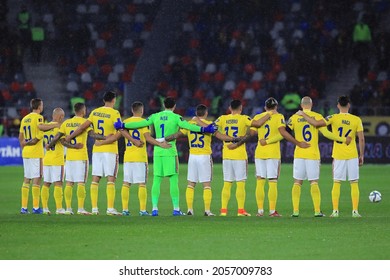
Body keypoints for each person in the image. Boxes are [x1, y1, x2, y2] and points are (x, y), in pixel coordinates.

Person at [114, 97, 217, 216]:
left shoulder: (155, 116)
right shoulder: (176, 117)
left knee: (156, 180)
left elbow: (141, 123)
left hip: (158, 150)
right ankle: (176, 209)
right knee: (173, 180)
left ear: (163, 105)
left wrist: (123, 124)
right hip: (169, 149)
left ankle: (154, 209)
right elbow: (189, 126)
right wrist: (204, 129)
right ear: (174, 106)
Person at [228, 97, 310, 217]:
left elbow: (250, 134)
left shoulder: (257, 117)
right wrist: (297, 142)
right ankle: (272, 211)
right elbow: (283, 133)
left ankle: (260, 210)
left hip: (260, 152)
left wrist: (236, 144)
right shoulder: (279, 117)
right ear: (276, 107)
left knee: (260, 182)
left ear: (265, 107)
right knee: (272, 182)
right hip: (273, 153)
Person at [98, 101, 171, 216]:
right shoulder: (144, 122)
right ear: (142, 111)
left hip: (128, 157)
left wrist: (101, 143)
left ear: (132, 110)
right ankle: (142, 210)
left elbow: (116, 137)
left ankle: (125, 210)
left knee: (126, 183)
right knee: (142, 184)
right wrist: (160, 144)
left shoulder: (126, 123)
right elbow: (147, 138)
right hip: (140, 158)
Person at [164, 104, 239, 216]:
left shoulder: (189, 124)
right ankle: (207, 211)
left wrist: (164, 139)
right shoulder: (209, 124)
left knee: (190, 184)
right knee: (206, 185)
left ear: (196, 113)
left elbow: (177, 135)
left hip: (192, 156)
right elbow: (220, 136)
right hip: (204, 156)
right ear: (206, 113)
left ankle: (190, 210)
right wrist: (234, 139)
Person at [299, 95, 364, 218]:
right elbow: (361, 138)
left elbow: (316, 123)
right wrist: (362, 155)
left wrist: (303, 114)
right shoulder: (357, 120)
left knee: (337, 182)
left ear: (338, 105)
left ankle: (335, 211)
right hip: (352, 155)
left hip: (338, 155)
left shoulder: (333, 118)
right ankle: (355, 211)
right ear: (349, 105)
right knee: (354, 182)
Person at [289, 96, 351, 217]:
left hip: (299, 153)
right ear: (311, 105)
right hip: (312, 154)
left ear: (301, 105)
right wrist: (342, 139)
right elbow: (327, 133)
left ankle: (295, 211)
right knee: (314, 182)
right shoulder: (317, 116)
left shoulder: (294, 117)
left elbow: (285, 131)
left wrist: (295, 142)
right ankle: (317, 211)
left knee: (297, 182)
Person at [65, 90, 123, 216]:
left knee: (95, 179)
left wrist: (70, 137)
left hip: (97, 151)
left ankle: (95, 209)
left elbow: (82, 127)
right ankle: (110, 209)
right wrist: (105, 141)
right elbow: (119, 132)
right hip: (110, 150)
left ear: (103, 100)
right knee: (111, 179)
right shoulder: (115, 113)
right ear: (114, 100)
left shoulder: (95, 112)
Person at [213, 99, 272, 217]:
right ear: (241, 108)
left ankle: (223, 211)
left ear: (230, 108)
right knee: (240, 183)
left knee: (227, 183)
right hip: (239, 155)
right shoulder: (244, 118)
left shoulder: (222, 118)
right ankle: (240, 211)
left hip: (227, 154)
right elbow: (257, 124)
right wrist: (269, 114)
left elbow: (212, 128)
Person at [47, 103, 106, 215]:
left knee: (69, 183)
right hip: (81, 157)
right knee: (81, 183)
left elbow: (60, 139)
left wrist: (50, 145)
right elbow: (93, 135)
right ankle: (80, 208)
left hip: (69, 158)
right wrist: (106, 137)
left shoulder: (66, 123)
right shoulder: (85, 122)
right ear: (83, 111)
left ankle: (68, 209)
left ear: (75, 111)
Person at [18, 98, 60, 214]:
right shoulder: (39, 118)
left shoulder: (25, 119)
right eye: (42, 105)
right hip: (36, 153)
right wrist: (55, 124)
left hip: (26, 153)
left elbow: (20, 137)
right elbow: (37, 138)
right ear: (39, 107)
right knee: (37, 179)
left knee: (27, 179)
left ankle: (24, 207)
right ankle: (36, 207)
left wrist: (24, 147)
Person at [41, 108, 82, 215]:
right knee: (58, 184)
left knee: (46, 184)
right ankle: (59, 208)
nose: (63, 118)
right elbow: (63, 142)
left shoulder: (46, 127)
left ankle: (45, 208)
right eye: (62, 116)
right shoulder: (59, 127)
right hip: (57, 160)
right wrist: (74, 146)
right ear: (60, 117)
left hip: (47, 159)